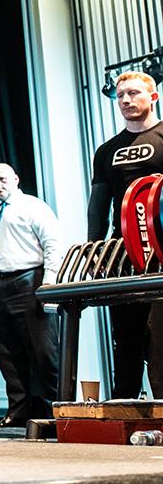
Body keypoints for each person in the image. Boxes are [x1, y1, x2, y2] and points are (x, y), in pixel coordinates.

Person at [87, 71, 163, 399]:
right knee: (127, 337)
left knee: (161, 340)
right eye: (120, 96)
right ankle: (126, 411)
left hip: (162, 253)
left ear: (154, 97)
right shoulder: (107, 151)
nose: (126, 101)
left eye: (133, 93)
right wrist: (94, 248)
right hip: (124, 255)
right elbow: (99, 204)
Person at [0, 163, 61, 427]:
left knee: (44, 351)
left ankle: (56, 412)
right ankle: (18, 412)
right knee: (7, 353)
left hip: (29, 281)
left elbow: (53, 244)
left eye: (2, 179)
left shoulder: (34, 206)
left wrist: (49, 283)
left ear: (16, 179)